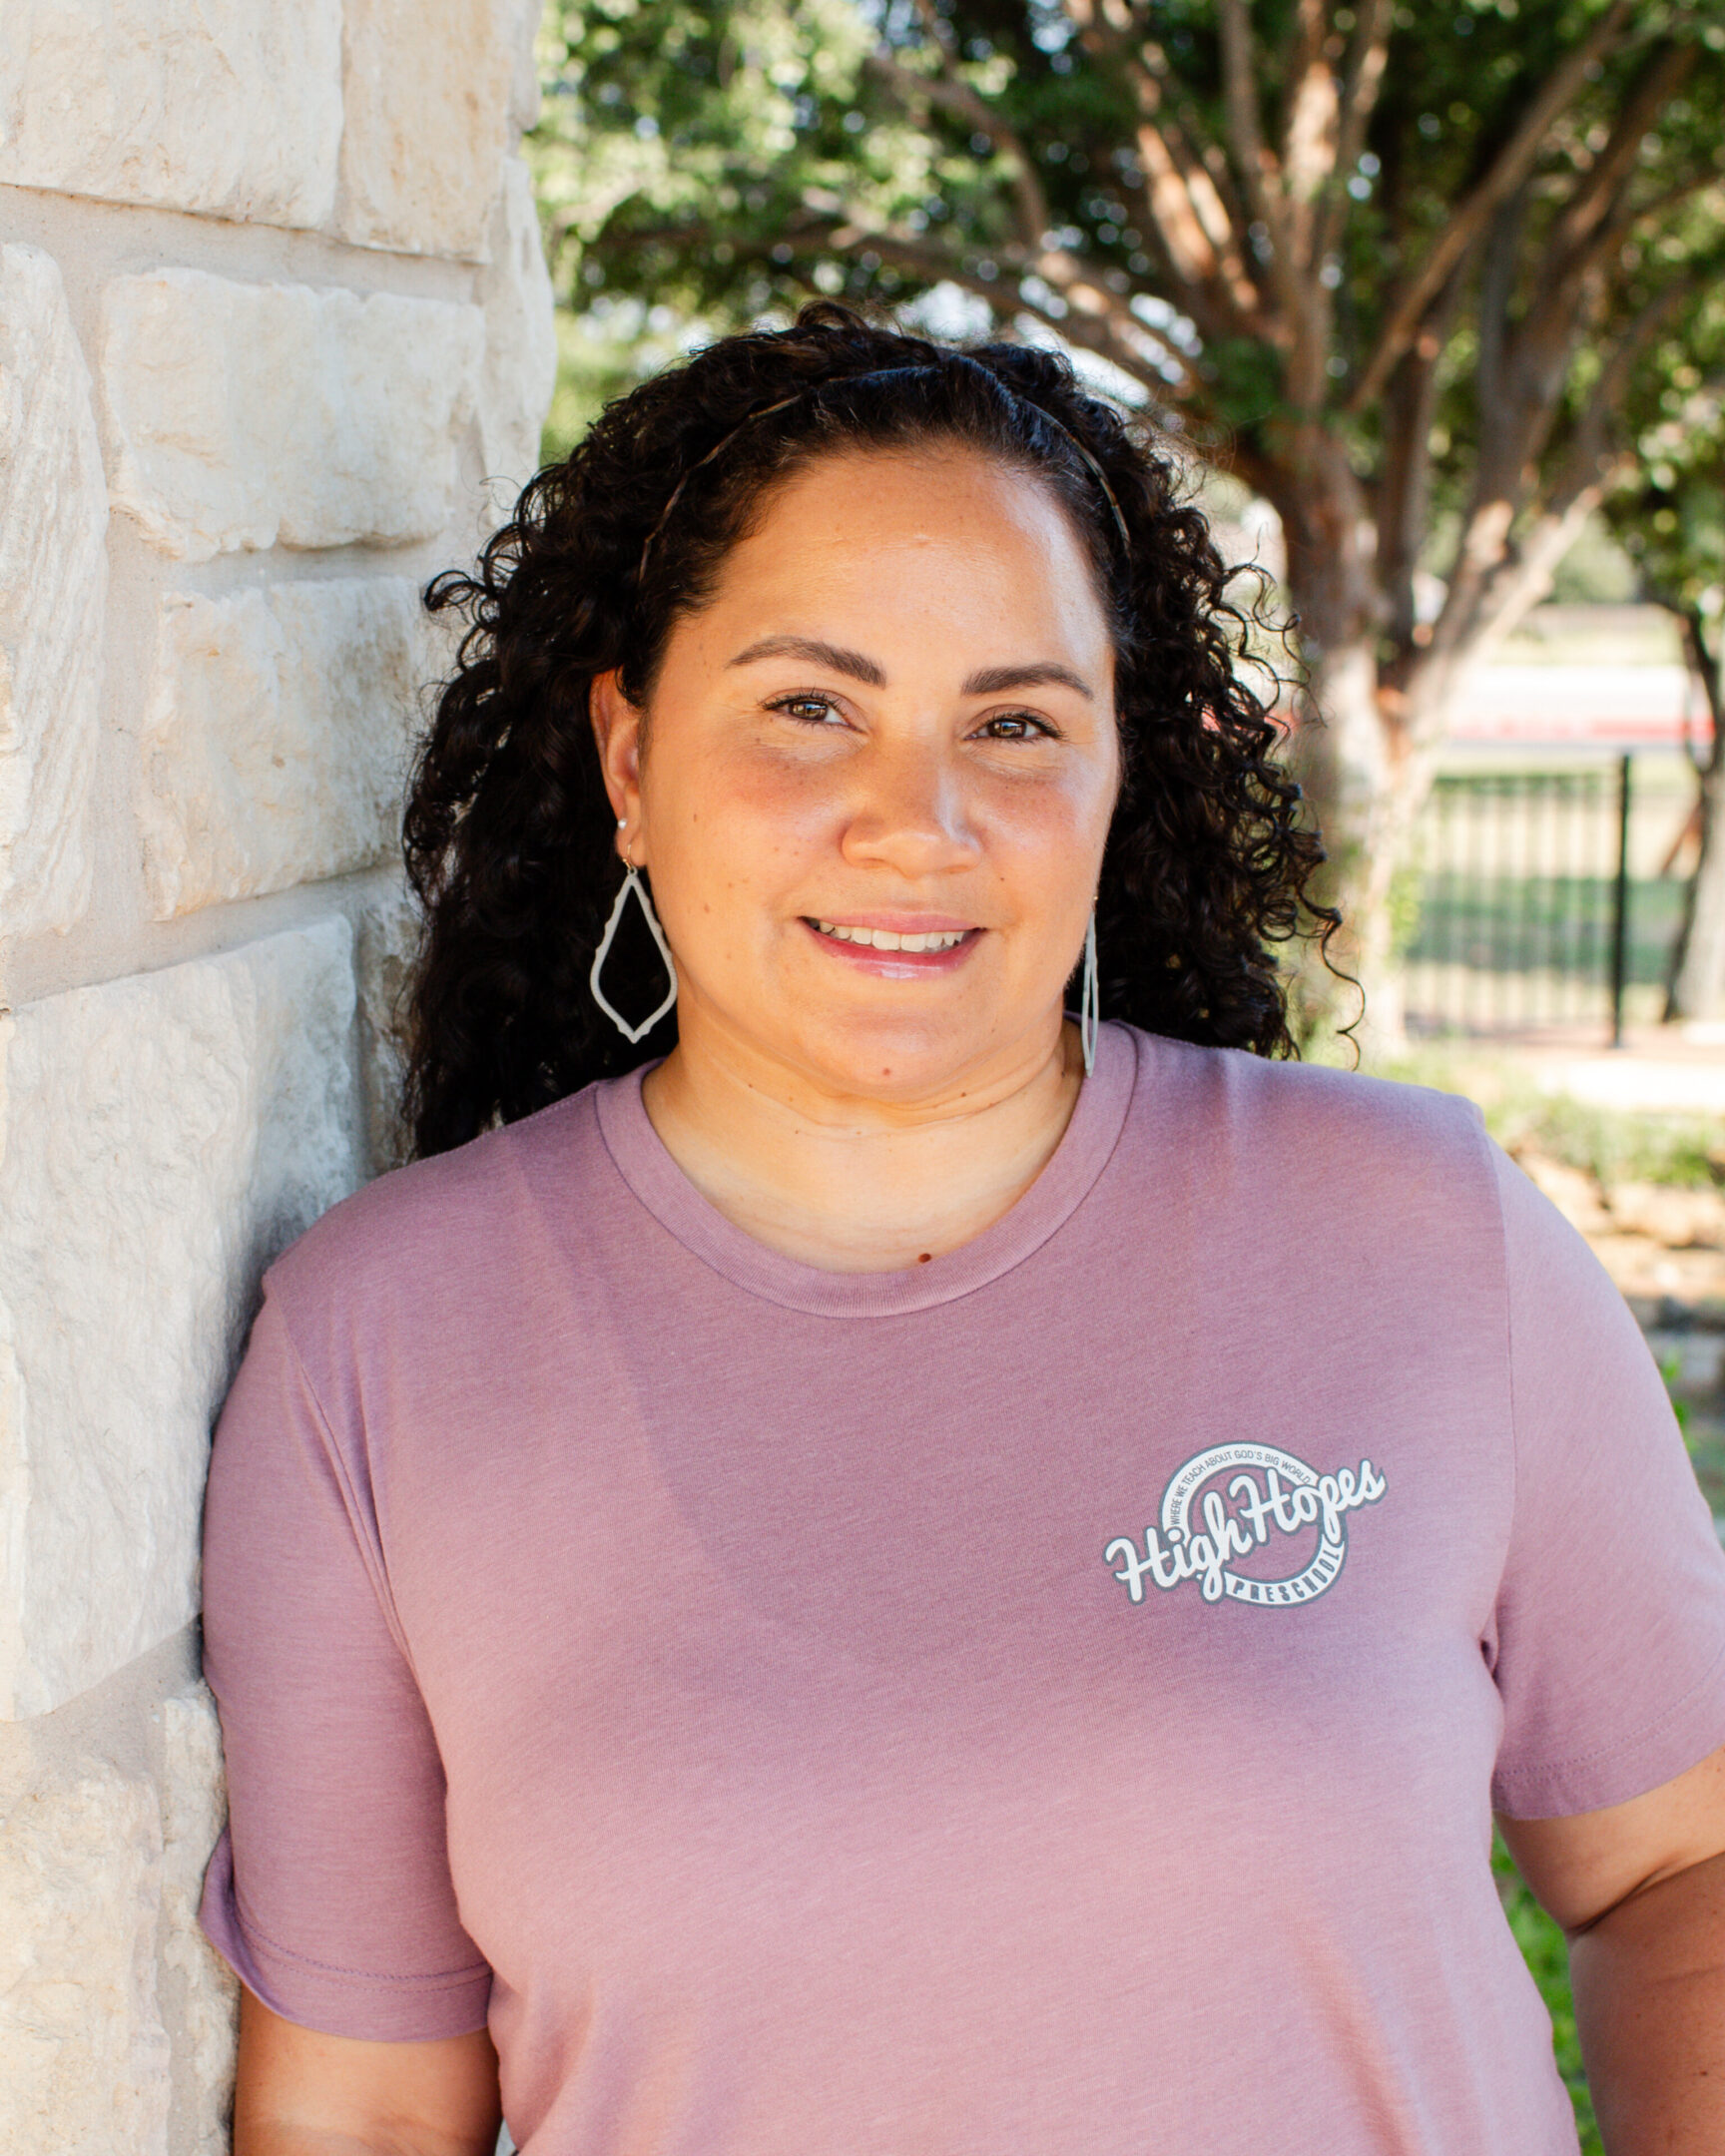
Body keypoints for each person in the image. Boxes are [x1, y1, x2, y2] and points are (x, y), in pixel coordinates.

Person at [201, 304, 1725, 2156]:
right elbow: (360, 2110)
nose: (913, 821)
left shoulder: (1423, 1234)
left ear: (1112, 774)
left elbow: (1681, 1869)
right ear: (627, 755)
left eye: (1013, 722)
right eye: (808, 708)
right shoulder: (377, 1353)